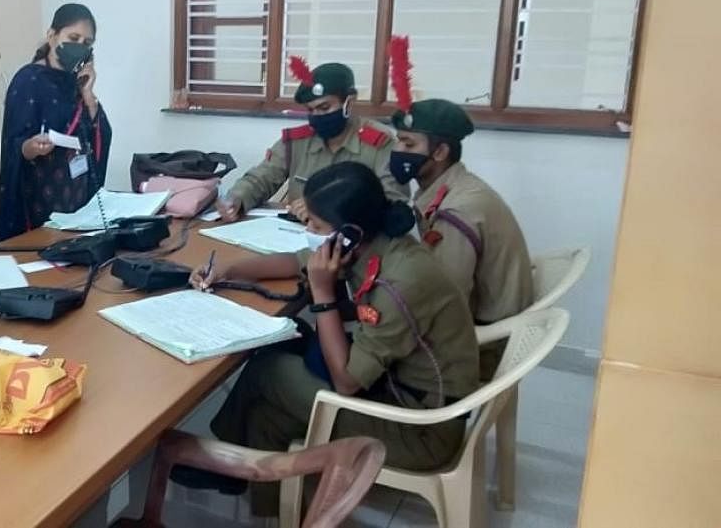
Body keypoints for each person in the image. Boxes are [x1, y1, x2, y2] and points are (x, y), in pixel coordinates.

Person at [178, 162, 479, 518]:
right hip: (396, 389)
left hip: (420, 428)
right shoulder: (375, 241)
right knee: (264, 417)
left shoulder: (401, 281)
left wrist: (322, 293)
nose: (307, 230)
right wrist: (228, 270)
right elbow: (297, 261)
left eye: (315, 226)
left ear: (349, 232)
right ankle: (266, 507)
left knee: (269, 369)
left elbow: (347, 382)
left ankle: (224, 463)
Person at [388, 98, 534, 377]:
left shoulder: (457, 211)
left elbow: (444, 300)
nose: (397, 151)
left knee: (358, 355)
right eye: (398, 141)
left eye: (408, 145)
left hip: (481, 346)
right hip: (485, 324)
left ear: (440, 151)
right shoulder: (454, 188)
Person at [217, 58, 407, 224]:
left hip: (354, 245)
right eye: (311, 110)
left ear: (349, 102)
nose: (317, 116)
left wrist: (323, 208)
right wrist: (237, 199)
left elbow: (391, 201)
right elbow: (262, 178)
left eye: (324, 108)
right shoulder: (297, 142)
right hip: (295, 237)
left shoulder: (380, 143)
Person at [0, 3, 113, 242]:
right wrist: (29, 147)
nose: (79, 46)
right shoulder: (28, 80)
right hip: (39, 200)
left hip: (76, 200)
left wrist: (89, 96)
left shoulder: (76, 81)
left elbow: (99, 138)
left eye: (87, 43)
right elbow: (14, 146)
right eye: (73, 37)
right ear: (52, 36)